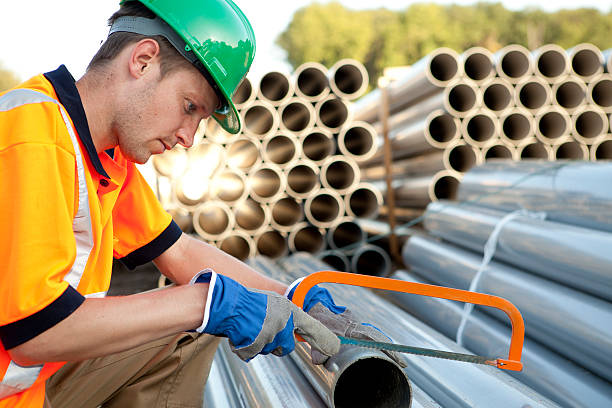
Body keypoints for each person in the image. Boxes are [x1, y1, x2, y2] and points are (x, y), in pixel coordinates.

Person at [0, 1, 402, 407]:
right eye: (190, 107)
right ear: (142, 60)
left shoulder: (104, 156)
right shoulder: (31, 138)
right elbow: (35, 333)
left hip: (26, 390)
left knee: (187, 325)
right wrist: (204, 302)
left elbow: (180, 252)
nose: (189, 138)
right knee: (195, 309)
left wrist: (298, 301)